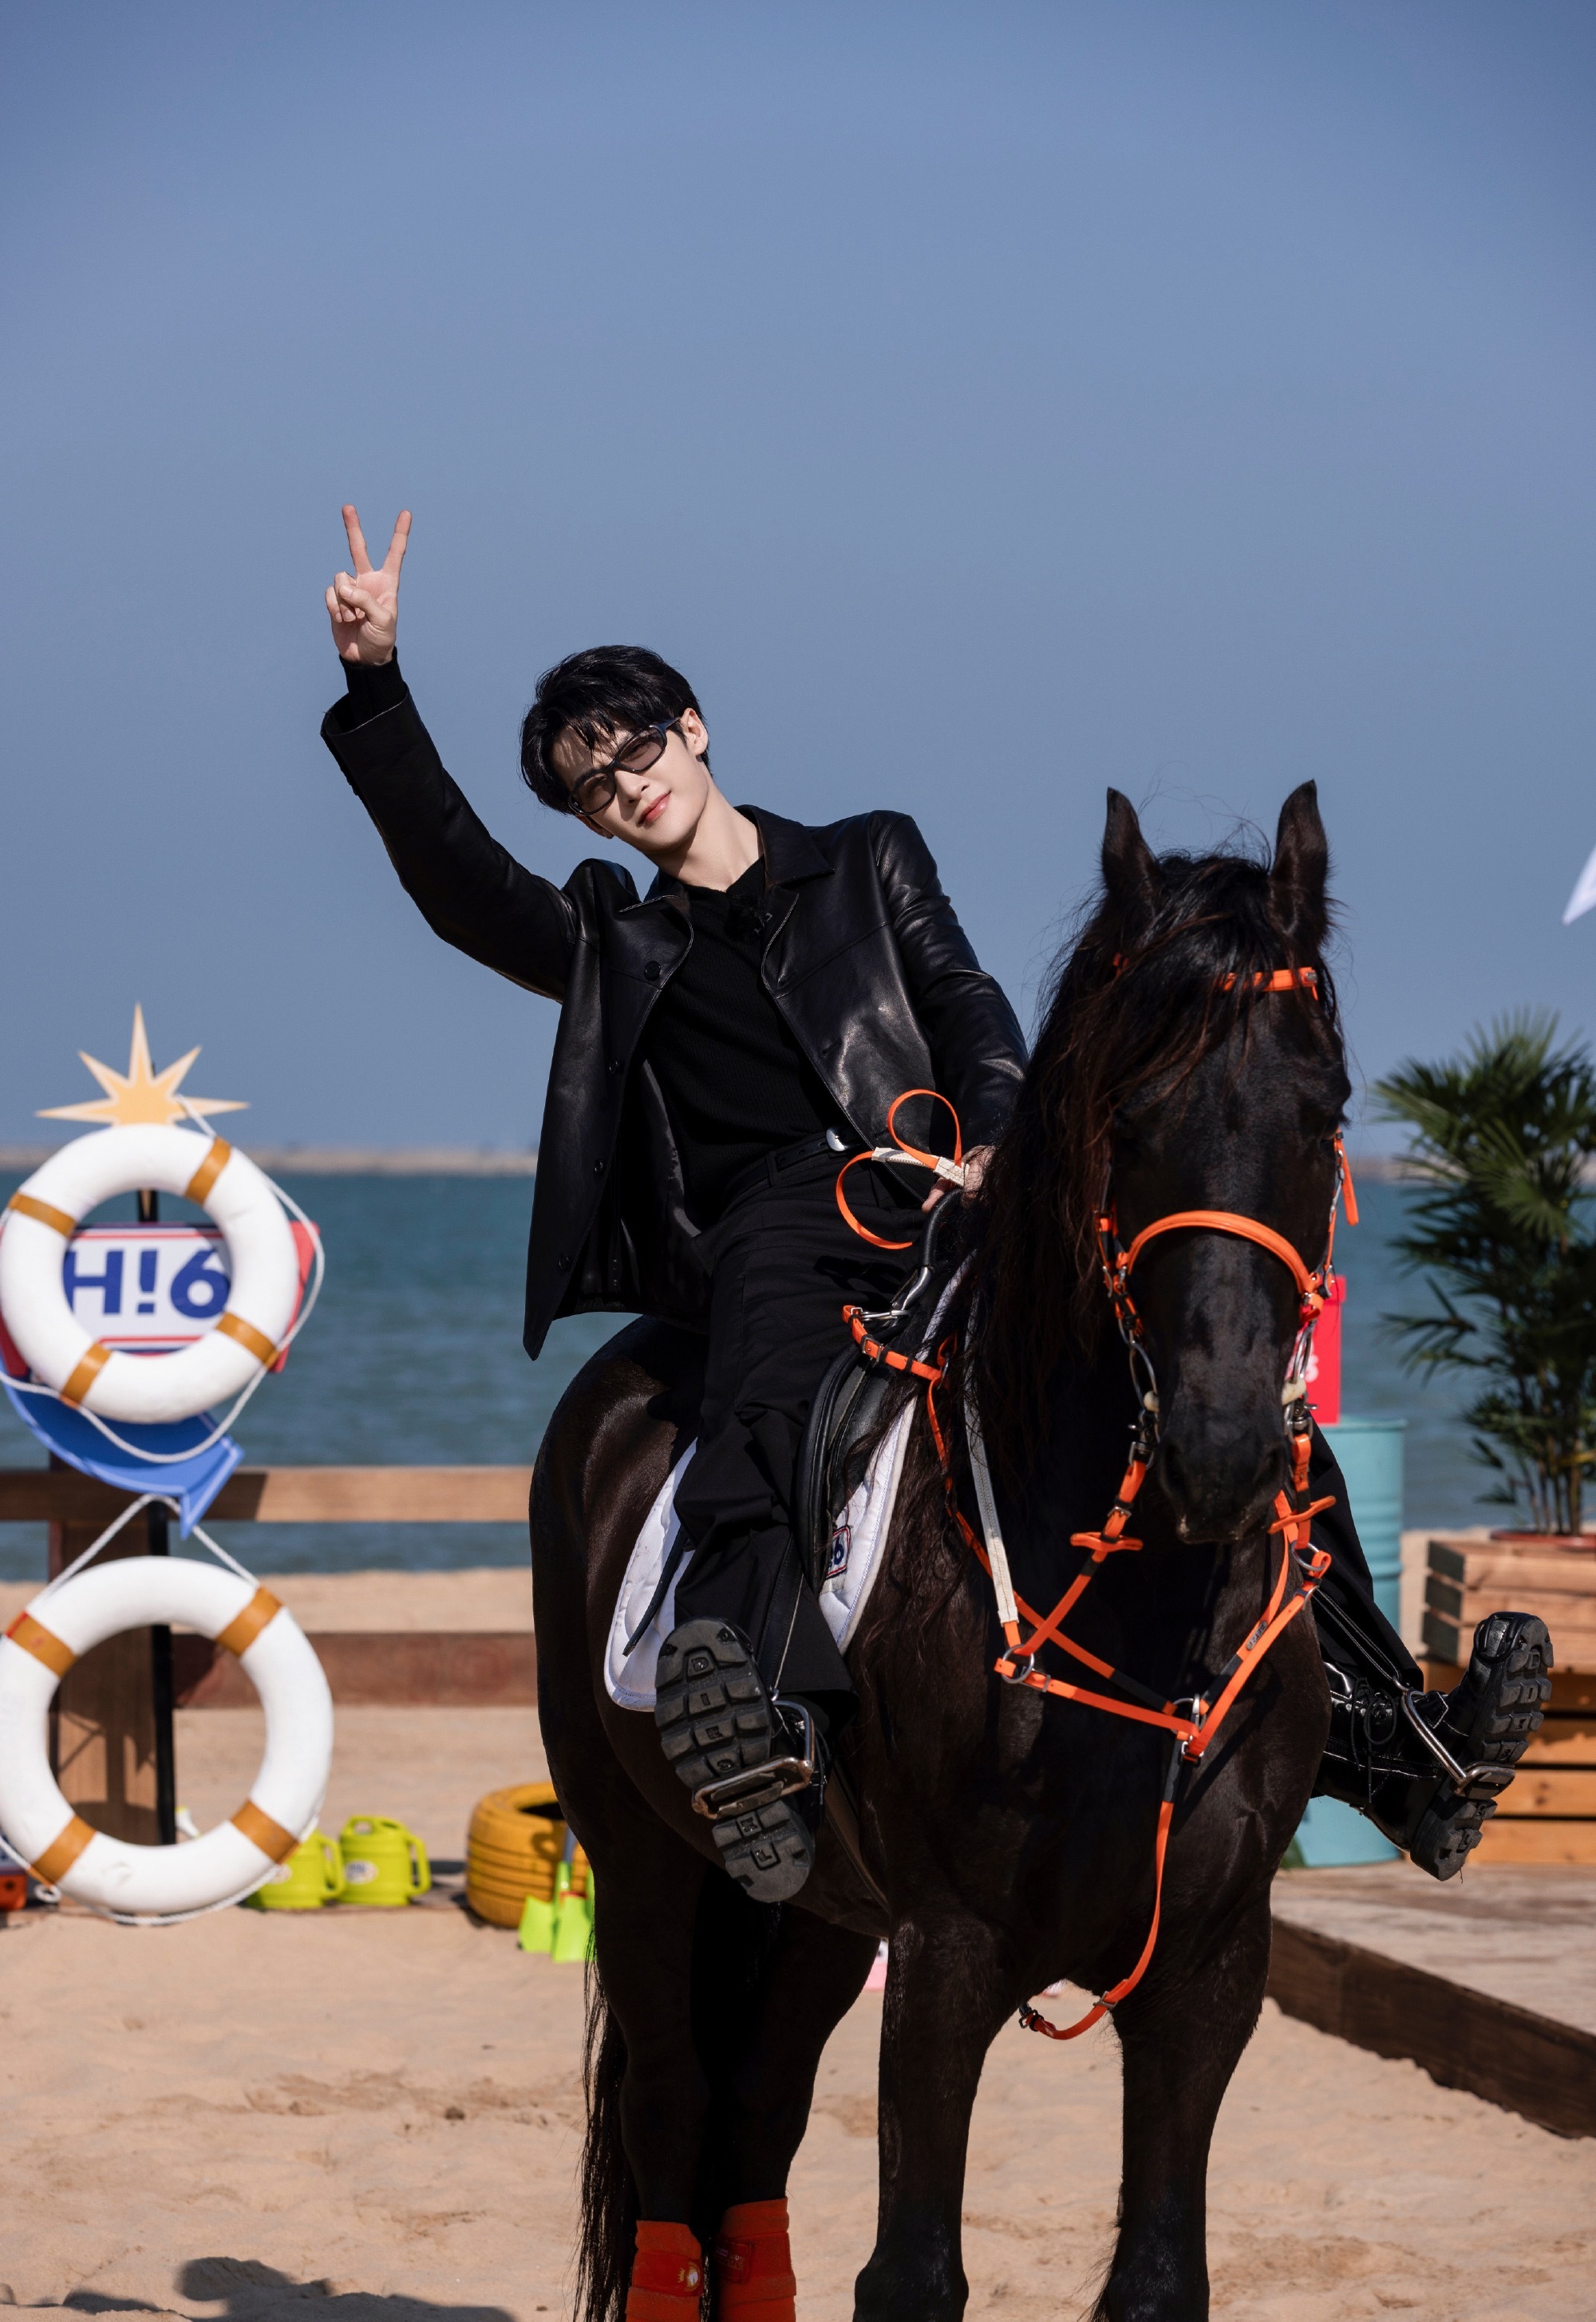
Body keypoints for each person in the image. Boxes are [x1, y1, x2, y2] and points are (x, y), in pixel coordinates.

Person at [320, 505, 1548, 1901]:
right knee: (763, 1403)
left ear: (694, 727)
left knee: (1222, 1389)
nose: (625, 789)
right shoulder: (615, 937)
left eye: (636, 748)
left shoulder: (868, 854)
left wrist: (1004, 1143)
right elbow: (461, 885)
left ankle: (1397, 1740)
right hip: (774, 1226)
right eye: (591, 787)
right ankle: (758, 1723)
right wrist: (377, 682)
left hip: (955, 1188)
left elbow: (965, 1002)